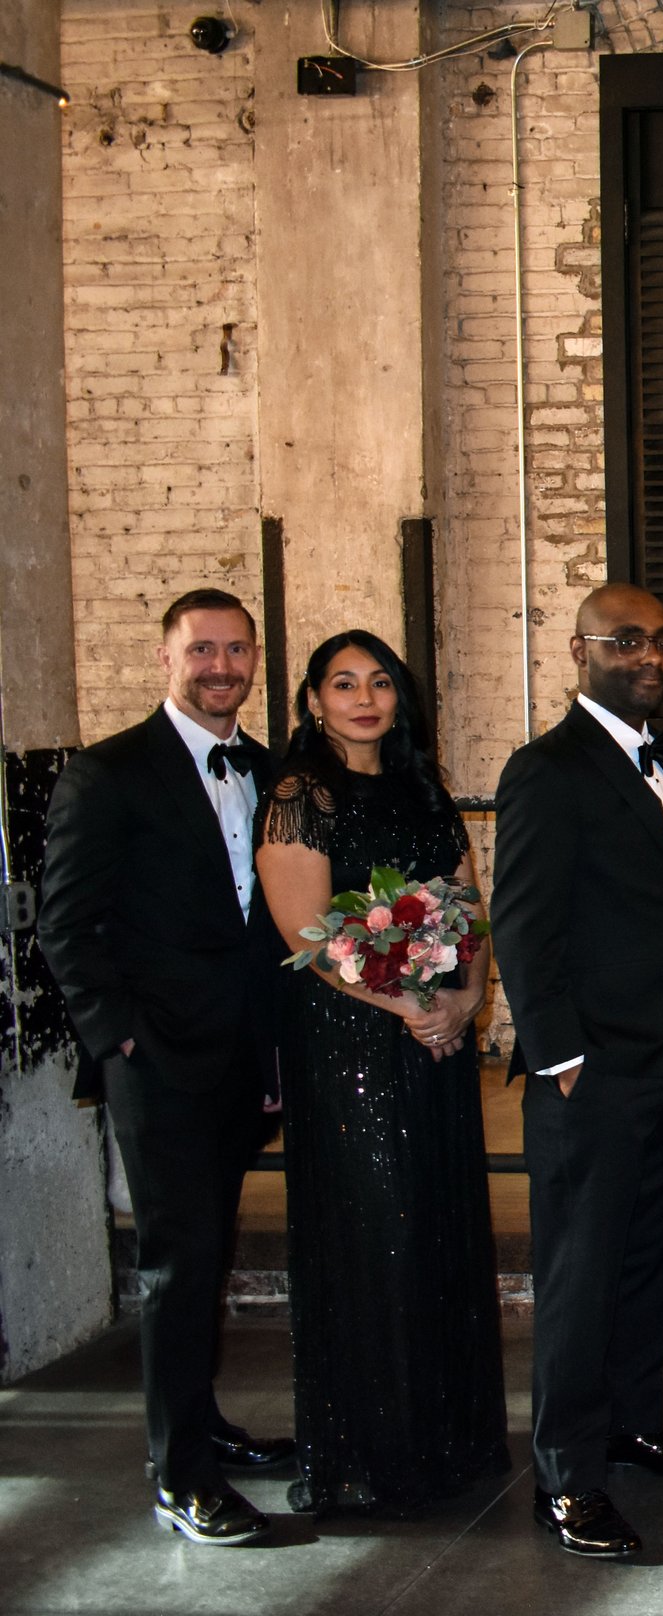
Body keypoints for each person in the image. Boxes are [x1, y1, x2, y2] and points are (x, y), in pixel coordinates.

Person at [493, 583, 663, 1558]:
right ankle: (566, 1477)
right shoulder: (545, 769)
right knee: (579, 1272)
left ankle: (631, 1422)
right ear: (581, 648)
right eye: (626, 640)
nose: (649, 655)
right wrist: (562, 1058)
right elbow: (522, 924)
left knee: (649, 1258)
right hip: (594, 1070)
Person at [37, 587, 295, 1545]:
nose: (220, 667)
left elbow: (268, 927)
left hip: (237, 1060)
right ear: (166, 658)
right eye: (201, 651)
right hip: (158, 1063)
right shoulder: (106, 774)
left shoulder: (269, 772)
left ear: (255, 659)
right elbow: (65, 926)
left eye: (236, 651)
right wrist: (121, 1041)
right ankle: (178, 1473)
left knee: (210, 1251)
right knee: (175, 1263)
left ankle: (206, 1424)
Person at [254, 630, 508, 1513]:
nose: (364, 698)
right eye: (342, 683)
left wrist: (467, 997)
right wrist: (407, 1007)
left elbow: (467, 904)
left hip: (435, 1039)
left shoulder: (421, 787)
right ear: (314, 701)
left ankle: (449, 1441)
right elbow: (305, 936)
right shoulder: (298, 793)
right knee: (374, 1234)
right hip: (350, 1045)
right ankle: (372, 1455)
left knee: (437, 1223)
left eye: (379, 684)